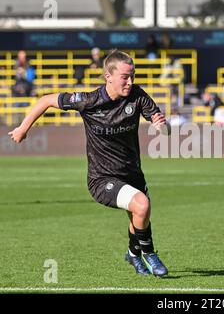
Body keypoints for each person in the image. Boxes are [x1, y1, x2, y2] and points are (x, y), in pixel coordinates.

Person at [8, 50, 171, 277]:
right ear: (108, 76)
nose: (130, 81)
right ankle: (150, 254)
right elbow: (45, 100)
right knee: (142, 205)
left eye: (132, 75)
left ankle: (133, 255)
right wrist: (23, 128)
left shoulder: (137, 96)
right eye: (125, 76)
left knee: (139, 216)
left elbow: (165, 128)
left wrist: (161, 126)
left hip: (132, 173)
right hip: (102, 178)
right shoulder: (88, 100)